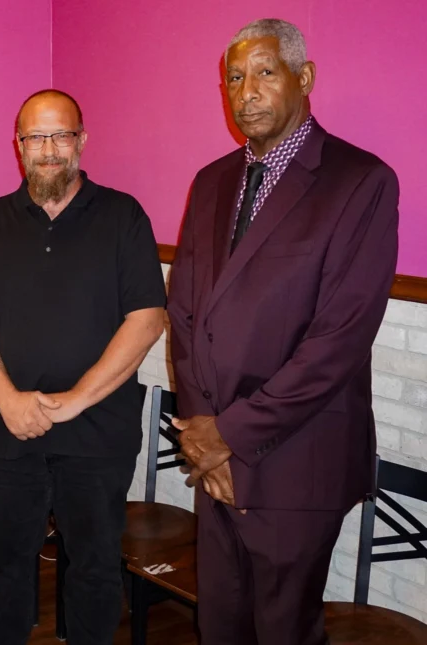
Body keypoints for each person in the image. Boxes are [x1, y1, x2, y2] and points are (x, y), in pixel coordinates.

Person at [167, 18, 399, 645]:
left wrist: (231, 436)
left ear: (305, 77)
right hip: (215, 459)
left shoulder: (360, 183)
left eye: (265, 72)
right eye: (235, 77)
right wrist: (202, 435)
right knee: (219, 625)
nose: (247, 91)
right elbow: (184, 316)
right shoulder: (212, 181)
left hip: (297, 461)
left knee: (284, 632)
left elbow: (337, 343)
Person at [0, 90, 166, 645]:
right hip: (11, 431)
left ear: (82, 141)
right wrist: (6, 398)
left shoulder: (123, 216)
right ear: (18, 145)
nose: (48, 150)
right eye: (35, 138)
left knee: (94, 570)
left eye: (61, 135)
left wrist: (75, 400)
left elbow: (146, 319)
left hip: (99, 431)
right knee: (1, 568)